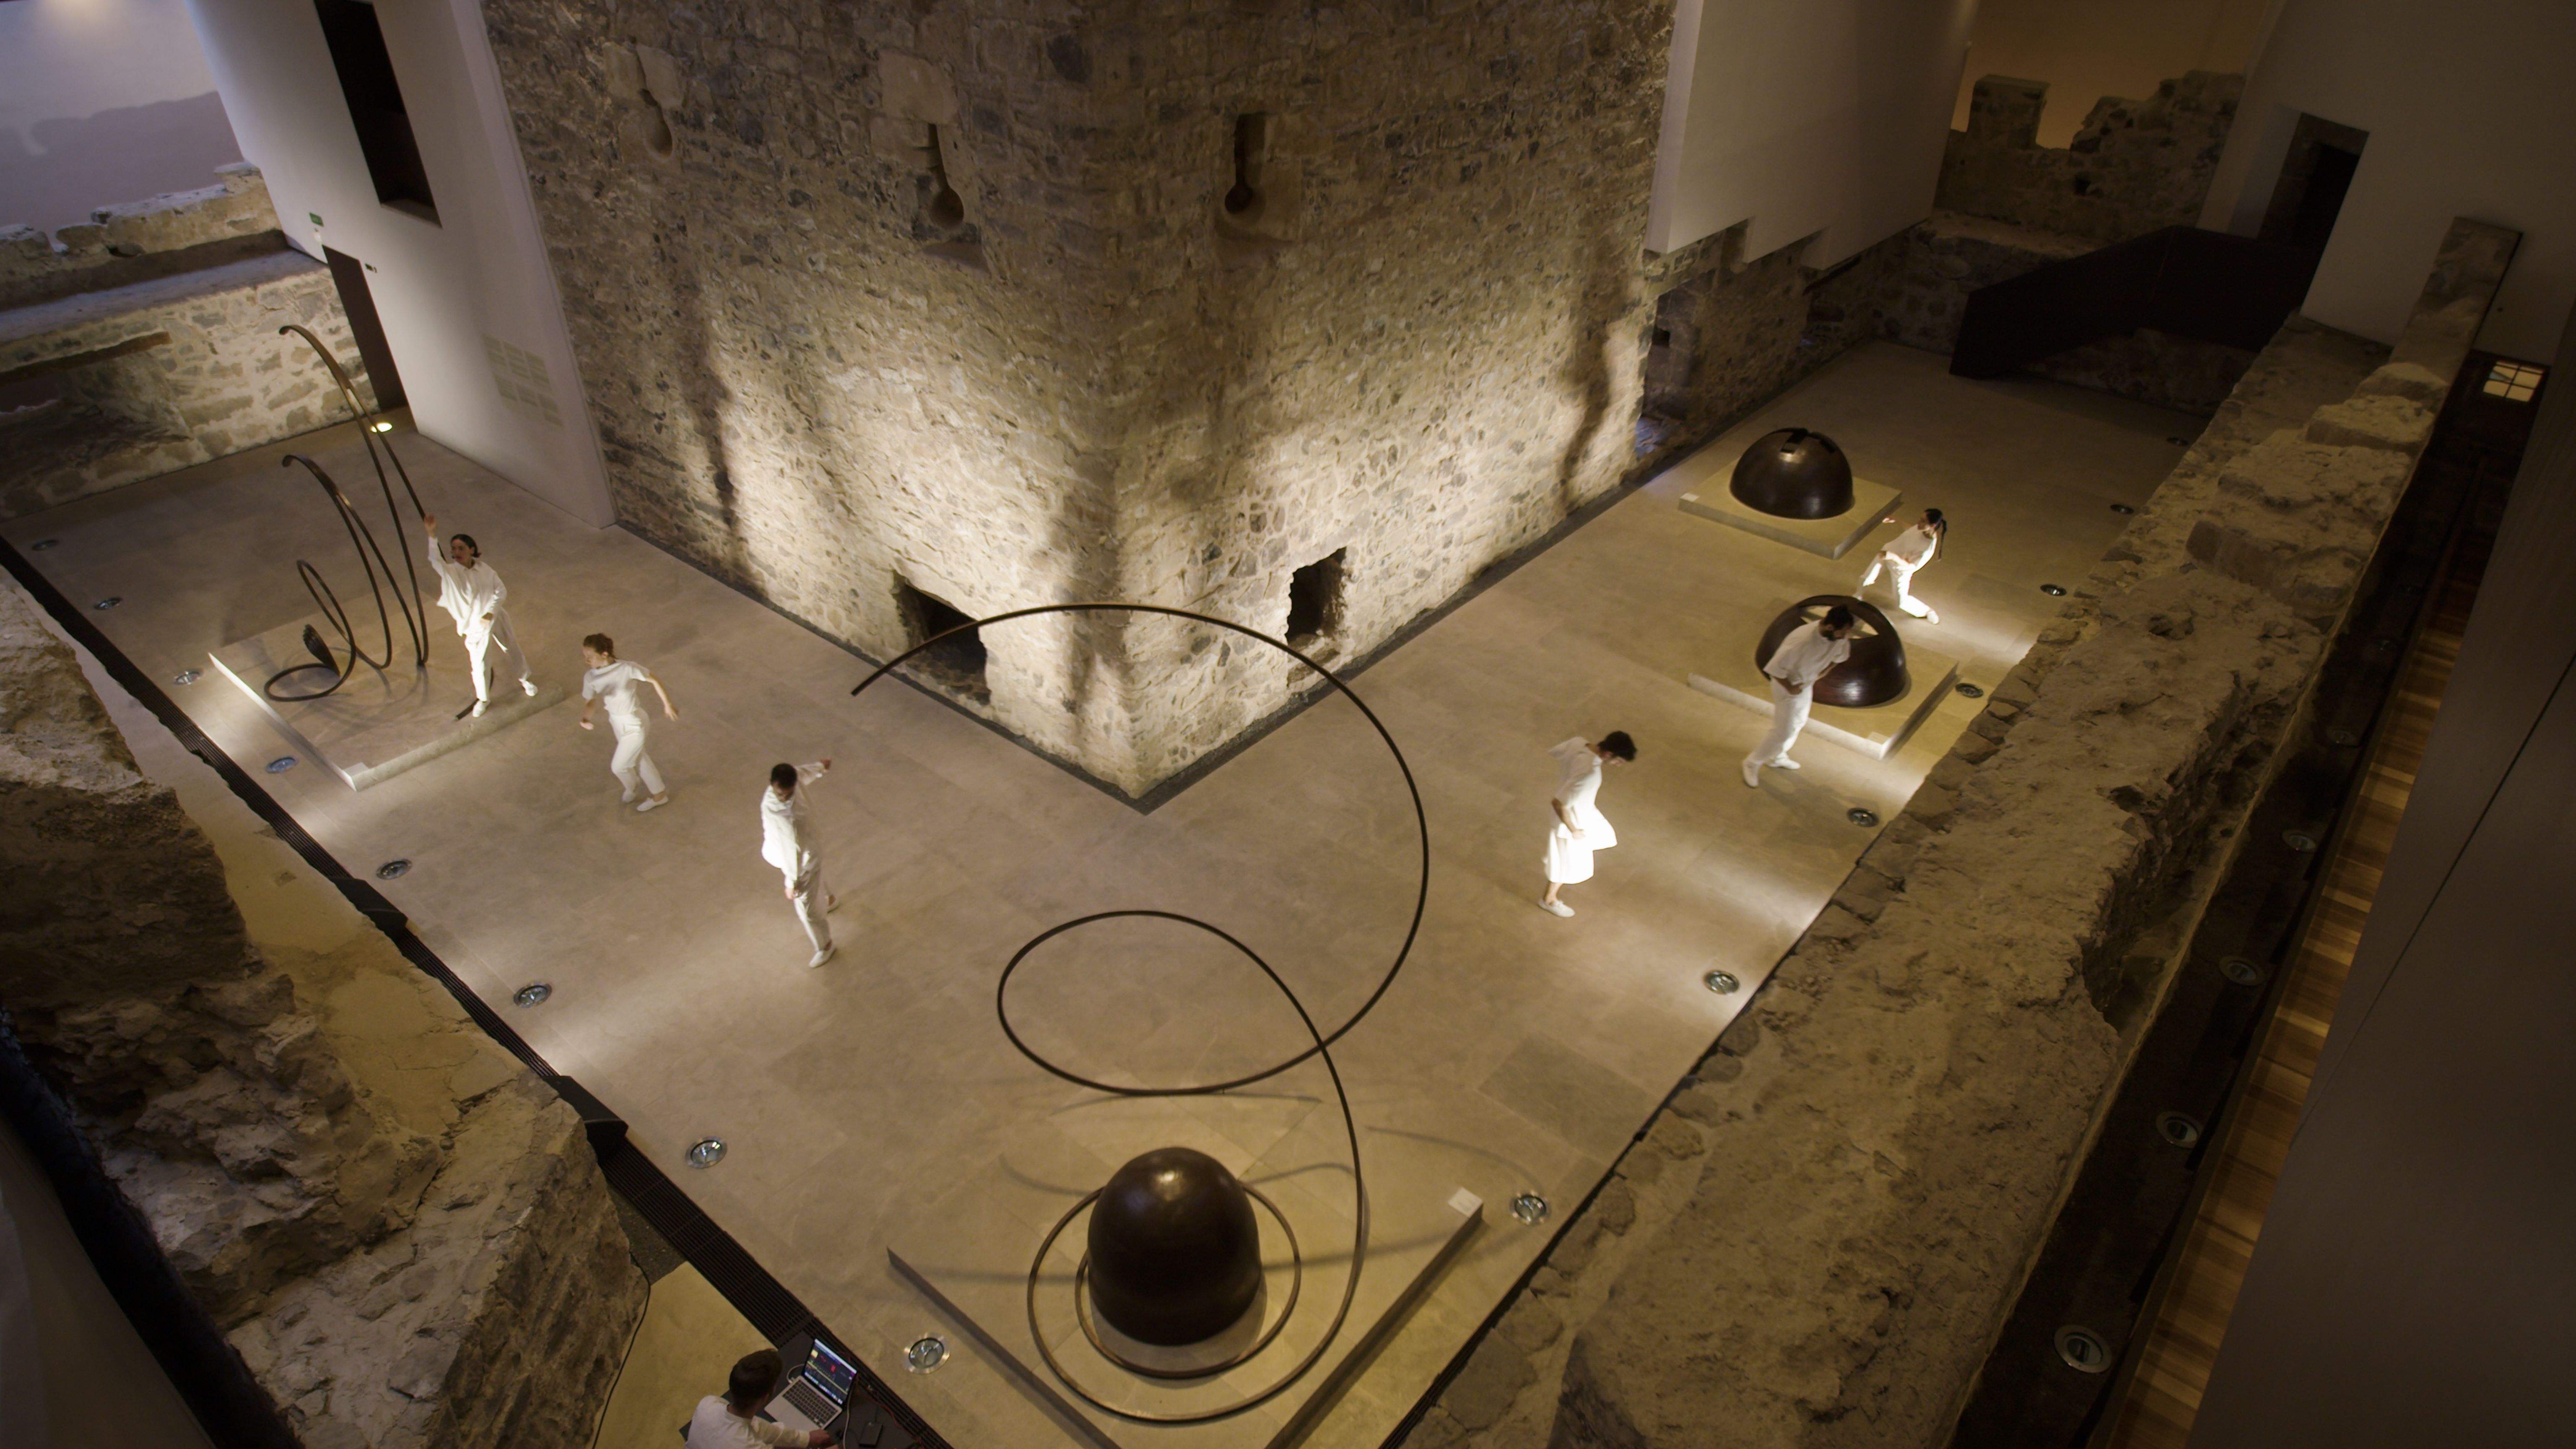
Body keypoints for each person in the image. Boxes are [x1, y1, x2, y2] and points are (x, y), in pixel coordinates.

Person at [422, 512, 535, 715]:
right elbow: (435, 560)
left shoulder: (485, 570)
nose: (457, 552)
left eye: (461, 548)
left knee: (512, 647)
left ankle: (525, 680)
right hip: (474, 626)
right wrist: (431, 535)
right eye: (454, 549)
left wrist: (491, 613)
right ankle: (483, 699)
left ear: (471, 549)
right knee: (480, 663)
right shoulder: (451, 573)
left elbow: (501, 591)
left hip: (496, 618)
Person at [1742, 606, 1856, 787]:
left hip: (1805, 683)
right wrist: (1791, 688)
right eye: (1843, 632)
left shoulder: (1839, 638)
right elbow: (1775, 670)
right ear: (1830, 628)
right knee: (1783, 730)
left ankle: (1777, 756)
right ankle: (1753, 762)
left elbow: (1839, 657)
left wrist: (1823, 672)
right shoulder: (1801, 641)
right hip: (1786, 685)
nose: (1846, 637)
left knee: (1799, 721)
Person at [1539, 732, 1636, 917]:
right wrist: (1574, 831)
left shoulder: (1578, 743)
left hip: (1580, 811)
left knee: (1570, 857)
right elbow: (1559, 803)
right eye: (1619, 761)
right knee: (1566, 863)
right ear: (1609, 754)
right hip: (1571, 821)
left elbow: (1558, 752)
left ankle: (1550, 896)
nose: (1618, 765)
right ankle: (1549, 900)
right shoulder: (1590, 773)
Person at [578, 633, 677, 812]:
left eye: (590, 657)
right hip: (616, 721)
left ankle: (632, 786)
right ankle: (659, 795)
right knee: (639, 757)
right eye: (585, 658)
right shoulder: (590, 677)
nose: (587, 661)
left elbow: (654, 679)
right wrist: (586, 718)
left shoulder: (627, 668)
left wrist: (668, 705)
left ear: (605, 654)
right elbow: (590, 701)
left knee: (619, 767)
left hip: (635, 722)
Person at [762, 759, 838, 968]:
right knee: (817, 878)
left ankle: (825, 945)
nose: (784, 798)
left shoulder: (793, 818)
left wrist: (792, 882)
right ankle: (828, 898)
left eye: (787, 794)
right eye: (780, 794)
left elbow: (794, 852)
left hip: (804, 861)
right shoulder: (793, 777)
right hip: (805, 850)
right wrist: (820, 767)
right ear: (772, 783)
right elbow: (803, 772)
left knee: (807, 910)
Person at [685, 1349, 837, 1448]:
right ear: (766, 1397)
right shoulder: (749, 1445)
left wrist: (806, 1439)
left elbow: (759, 1427)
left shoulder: (708, 1404)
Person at [1859, 508, 1947, 622]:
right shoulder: (1922, 528)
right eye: (1920, 519)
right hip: (1887, 554)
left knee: (1902, 602)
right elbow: (1911, 530)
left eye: (1923, 521)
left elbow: (1911, 567)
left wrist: (1893, 557)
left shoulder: (1927, 548)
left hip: (1900, 570)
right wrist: (1895, 519)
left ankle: (1927, 611)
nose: (1918, 523)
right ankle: (1857, 597)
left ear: (1933, 526)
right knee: (1867, 578)